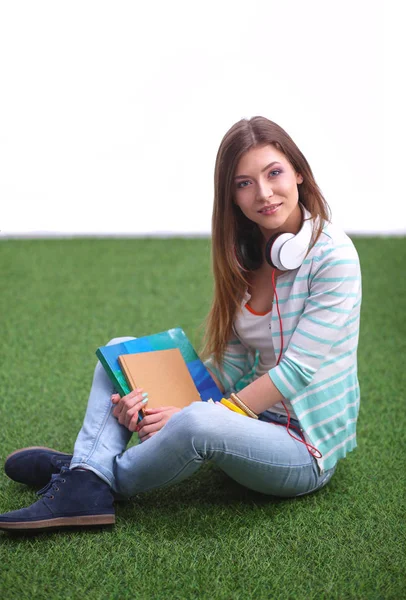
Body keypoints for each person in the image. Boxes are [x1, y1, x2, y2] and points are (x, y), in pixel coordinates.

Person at [0, 116, 362, 532]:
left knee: (197, 422)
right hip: (246, 422)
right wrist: (145, 399)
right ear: (232, 197)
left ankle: (88, 474)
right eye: (244, 183)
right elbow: (232, 362)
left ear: (298, 172)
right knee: (123, 353)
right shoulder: (248, 253)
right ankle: (88, 471)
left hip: (301, 447)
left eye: (274, 173)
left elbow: (297, 371)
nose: (263, 193)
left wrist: (196, 414)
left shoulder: (334, 257)